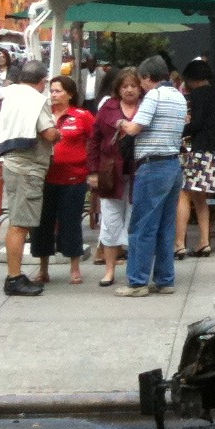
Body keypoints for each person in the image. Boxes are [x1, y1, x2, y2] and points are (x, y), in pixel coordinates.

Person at [117, 57, 188, 296]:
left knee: (142, 226)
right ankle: (165, 279)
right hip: (173, 165)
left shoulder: (154, 96)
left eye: (141, 80)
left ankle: (137, 282)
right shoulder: (179, 96)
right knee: (165, 227)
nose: (140, 86)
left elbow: (135, 128)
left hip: (153, 165)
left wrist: (122, 123)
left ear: (148, 77)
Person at [0, 59, 59, 297]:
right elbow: (48, 132)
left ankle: (15, 275)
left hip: (12, 161)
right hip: (29, 166)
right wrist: (58, 133)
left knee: (17, 220)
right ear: (42, 82)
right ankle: (14, 277)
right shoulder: (37, 100)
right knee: (20, 224)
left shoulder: (9, 95)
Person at [31, 76, 95, 287]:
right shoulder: (43, 116)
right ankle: (43, 268)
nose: (54, 95)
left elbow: (94, 142)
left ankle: (75, 268)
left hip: (73, 178)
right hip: (45, 177)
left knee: (71, 223)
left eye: (58, 91)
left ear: (70, 94)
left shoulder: (82, 116)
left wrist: (92, 170)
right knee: (42, 224)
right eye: (52, 91)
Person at [89, 69, 141, 287]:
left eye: (133, 85)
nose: (129, 90)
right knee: (110, 222)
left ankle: (136, 269)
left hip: (139, 173)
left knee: (136, 223)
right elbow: (94, 141)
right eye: (124, 86)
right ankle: (109, 270)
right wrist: (92, 171)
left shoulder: (148, 106)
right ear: (118, 89)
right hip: (111, 174)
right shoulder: (108, 107)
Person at [178, 59, 215, 258]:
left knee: (184, 193)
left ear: (193, 79)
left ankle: (179, 243)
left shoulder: (200, 94)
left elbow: (197, 123)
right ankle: (203, 241)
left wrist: (182, 130)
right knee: (200, 197)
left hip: (202, 149)